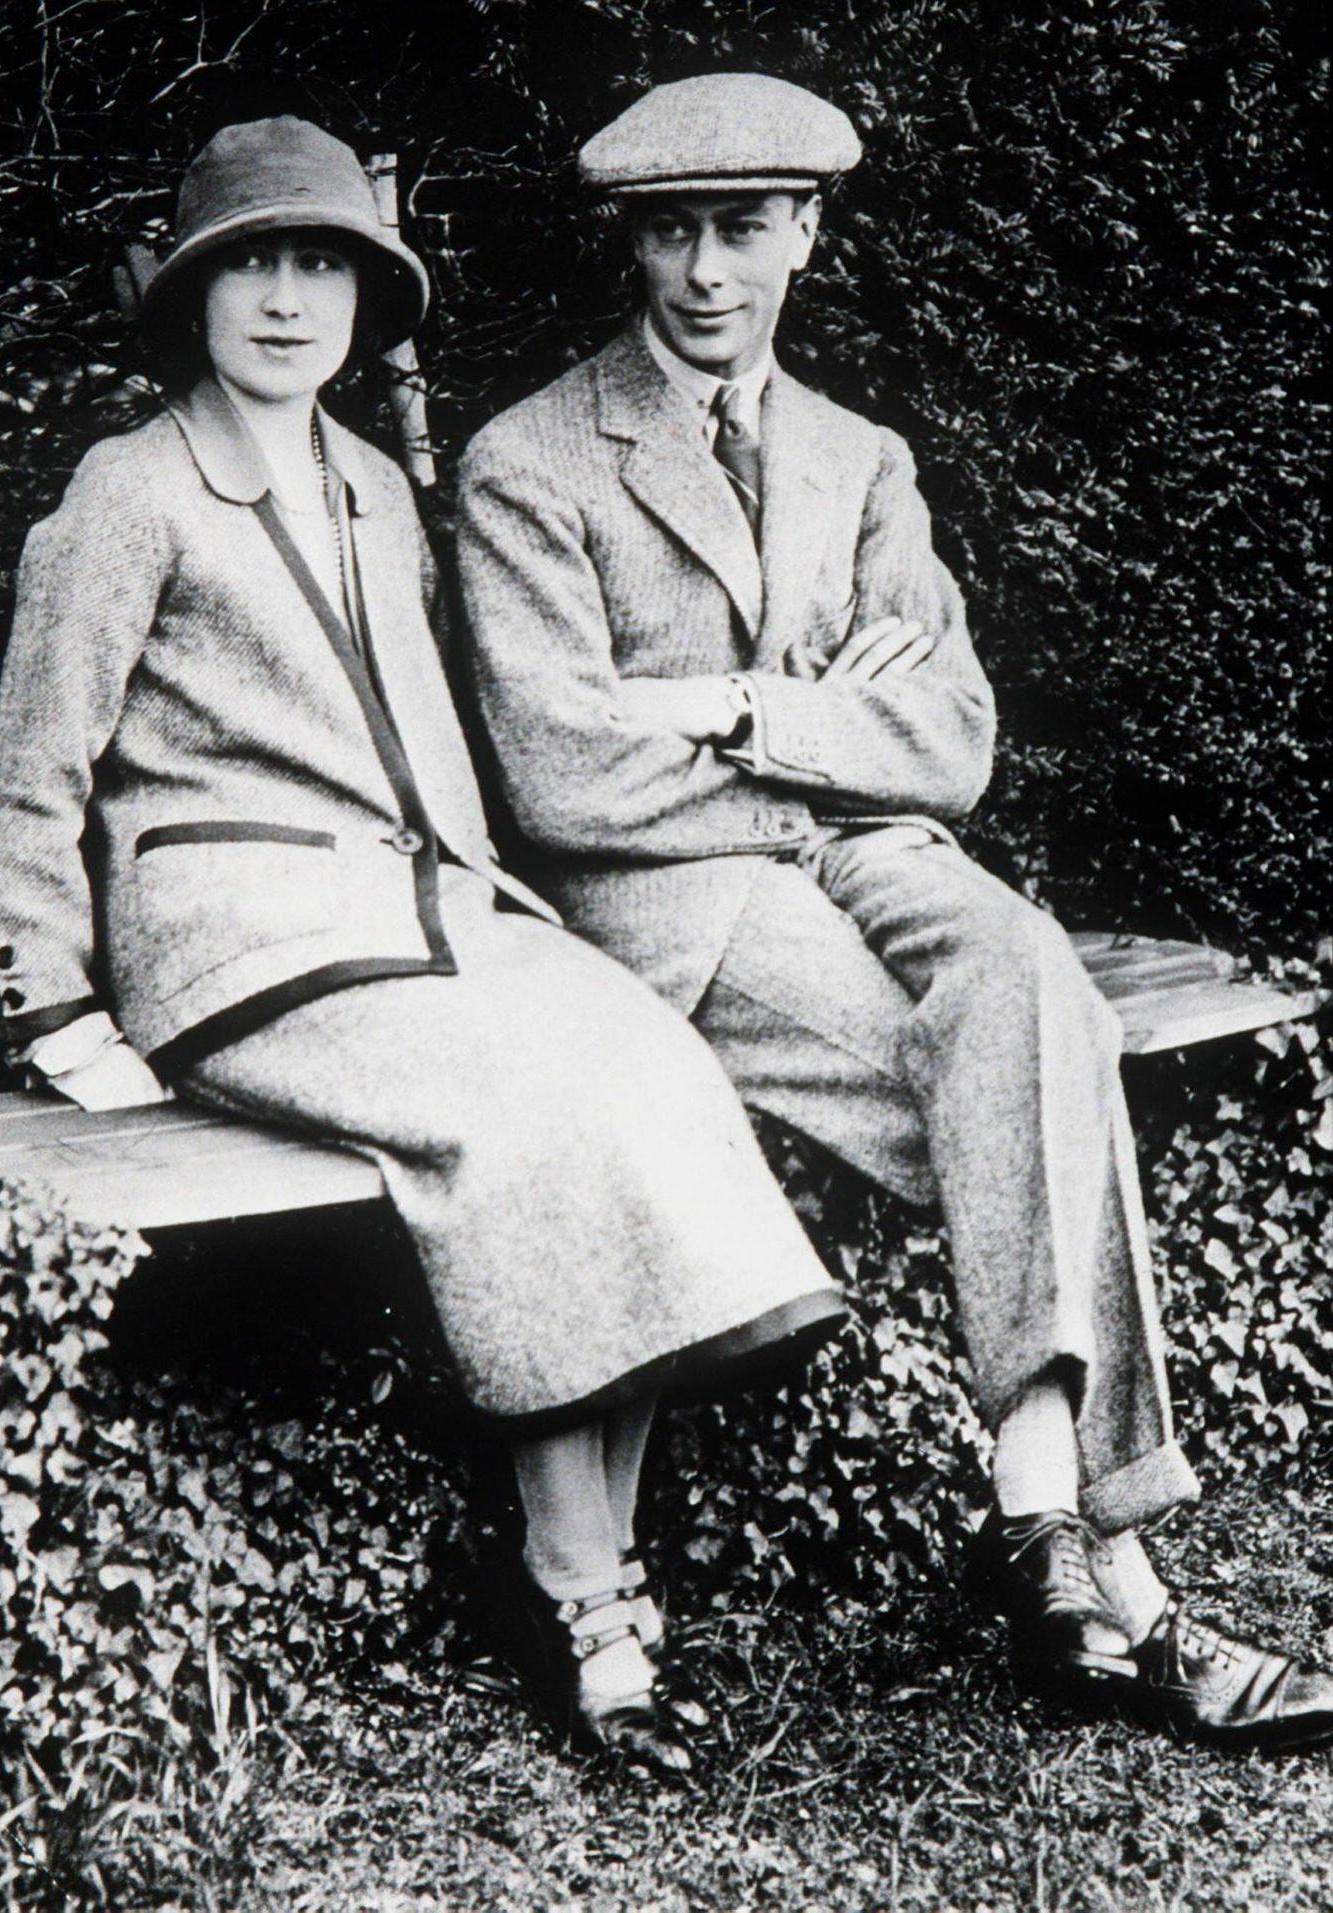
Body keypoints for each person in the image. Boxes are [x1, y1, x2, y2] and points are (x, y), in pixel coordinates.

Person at [453, 73, 1332, 1752]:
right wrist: (820, 732)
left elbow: (954, 739)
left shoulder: (864, 461)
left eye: (743, 229)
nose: (708, 271)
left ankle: (1040, 1516)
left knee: (1032, 989)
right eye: (672, 231)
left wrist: (729, 711)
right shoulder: (528, 461)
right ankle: (1117, 1572)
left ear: (807, 232)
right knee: (1023, 1090)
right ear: (634, 241)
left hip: (874, 856)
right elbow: (564, 776)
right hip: (686, 899)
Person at [0, 114, 851, 1777]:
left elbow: (434, 752)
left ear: (368, 299)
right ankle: (587, 1597)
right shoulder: (128, 488)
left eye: (320, 264)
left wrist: (501, 908)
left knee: (647, 1057)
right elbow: (35, 764)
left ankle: (597, 1551)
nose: (288, 301)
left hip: (415, 912)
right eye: (251, 264)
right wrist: (53, 1004)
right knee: (518, 1116)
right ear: (188, 294)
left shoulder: (375, 485)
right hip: (233, 946)